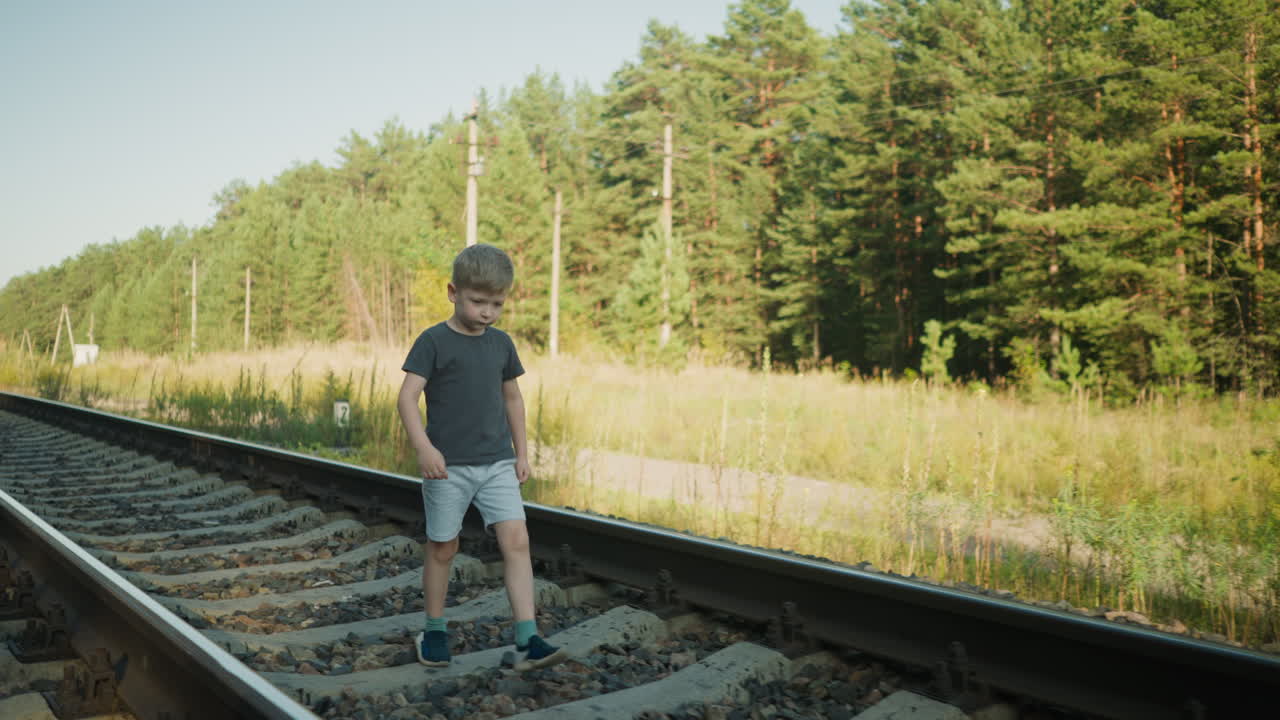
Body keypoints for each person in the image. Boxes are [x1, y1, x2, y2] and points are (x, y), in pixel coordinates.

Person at [396, 243, 568, 670]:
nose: (487, 312)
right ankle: (434, 629)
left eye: (497, 303)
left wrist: (522, 452)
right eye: (478, 301)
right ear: (453, 292)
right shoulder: (433, 341)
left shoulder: (501, 344)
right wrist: (424, 448)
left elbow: (512, 399)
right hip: (447, 467)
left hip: (497, 463)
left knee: (517, 540)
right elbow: (406, 398)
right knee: (443, 547)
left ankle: (528, 638)